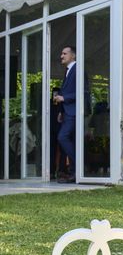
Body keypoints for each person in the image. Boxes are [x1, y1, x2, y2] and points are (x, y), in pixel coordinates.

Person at [53, 46, 77, 183]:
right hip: (67, 112)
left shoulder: (78, 69)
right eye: (61, 53)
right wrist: (61, 111)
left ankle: (78, 167)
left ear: (73, 56)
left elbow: (83, 91)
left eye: (64, 53)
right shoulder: (68, 71)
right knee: (69, 140)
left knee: (62, 137)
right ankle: (74, 172)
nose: (61, 56)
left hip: (74, 111)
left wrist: (64, 98)